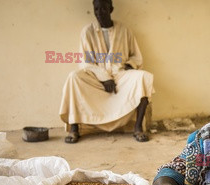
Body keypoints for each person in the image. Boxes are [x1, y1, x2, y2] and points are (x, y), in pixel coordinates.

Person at [59, 0, 154, 143]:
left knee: (144, 78)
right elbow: (85, 62)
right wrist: (104, 77)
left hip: (120, 75)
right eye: (96, 9)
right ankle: (74, 129)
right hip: (96, 77)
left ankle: (138, 127)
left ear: (111, 9)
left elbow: (136, 56)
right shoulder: (88, 31)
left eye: (103, 9)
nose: (99, 13)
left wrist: (130, 64)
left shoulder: (124, 30)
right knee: (73, 77)